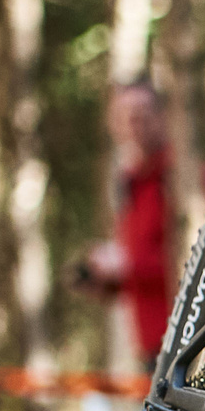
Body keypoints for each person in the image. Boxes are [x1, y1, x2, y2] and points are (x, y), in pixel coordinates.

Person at [82, 78, 172, 362]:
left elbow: (201, 261)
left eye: (142, 113)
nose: (134, 124)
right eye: (124, 116)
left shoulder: (185, 179)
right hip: (149, 344)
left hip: (187, 338)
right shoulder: (129, 182)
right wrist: (107, 279)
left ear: (161, 116)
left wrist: (126, 267)